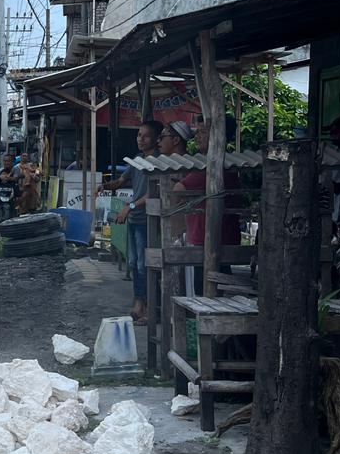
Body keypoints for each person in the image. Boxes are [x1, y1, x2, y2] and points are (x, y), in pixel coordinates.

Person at [96, 119, 162, 324]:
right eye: (138, 135)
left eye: (145, 136)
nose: (140, 139)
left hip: (148, 220)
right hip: (135, 219)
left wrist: (129, 207)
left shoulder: (161, 162)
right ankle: (139, 303)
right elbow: (121, 181)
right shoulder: (137, 159)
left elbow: (154, 193)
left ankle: (150, 308)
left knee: (144, 265)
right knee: (134, 263)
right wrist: (105, 186)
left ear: (156, 139)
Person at [175, 116, 243, 291]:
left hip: (207, 241)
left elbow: (178, 191)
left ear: (218, 136)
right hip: (223, 239)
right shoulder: (227, 164)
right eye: (197, 132)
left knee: (204, 290)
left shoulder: (210, 166)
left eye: (203, 132)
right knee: (218, 288)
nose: (197, 137)